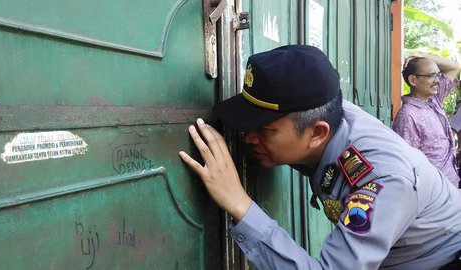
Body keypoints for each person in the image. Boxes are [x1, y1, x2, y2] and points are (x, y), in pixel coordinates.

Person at [178, 45, 461, 269]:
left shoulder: (383, 178)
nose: (248, 137)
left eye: (264, 129)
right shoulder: (323, 111)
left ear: (317, 134)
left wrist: (239, 202)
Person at [391, 56, 461, 188]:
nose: (437, 81)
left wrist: (422, 57)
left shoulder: (434, 100)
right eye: (431, 76)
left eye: (437, 75)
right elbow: (407, 163)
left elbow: (455, 67)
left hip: (451, 185)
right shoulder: (408, 116)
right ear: (413, 80)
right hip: (434, 192)